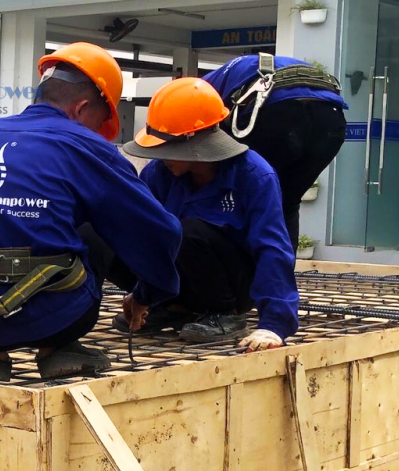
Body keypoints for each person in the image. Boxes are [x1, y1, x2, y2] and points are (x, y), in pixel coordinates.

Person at [0, 43, 181, 382]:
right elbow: (159, 231)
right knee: (94, 227)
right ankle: (59, 349)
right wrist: (147, 294)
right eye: (100, 122)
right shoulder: (85, 144)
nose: (97, 132)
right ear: (82, 108)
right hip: (56, 317)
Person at [121, 76, 298, 353]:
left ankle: (226, 316)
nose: (161, 156)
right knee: (113, 231)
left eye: (169, 149)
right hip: (179, 279)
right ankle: (171, 306)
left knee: (186, 231)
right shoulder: (158, 174)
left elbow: (272, 248)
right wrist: (144, 295)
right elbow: (147, 240)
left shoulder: (253, 176)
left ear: (198, 142)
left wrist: (274, 324)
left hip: (232, 285)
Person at [203, 52, 347, 246]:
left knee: (246, 199)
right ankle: (281, 272)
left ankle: (244, 271)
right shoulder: (232, 74)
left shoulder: (198, 90)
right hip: (331, 120)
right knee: (286, 202)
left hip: (277, 112)